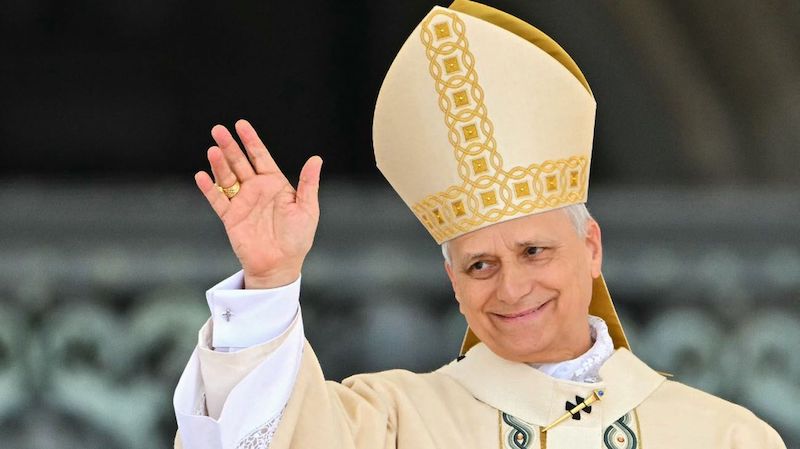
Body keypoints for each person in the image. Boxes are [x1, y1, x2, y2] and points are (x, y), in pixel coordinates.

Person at [173, 1, 787, 448]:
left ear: (591, 246)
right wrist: (271, 278)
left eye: (534, 251)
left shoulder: (723, 436)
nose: (511, 288)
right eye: (480, 265)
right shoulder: (389, 425)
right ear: (454, 283)